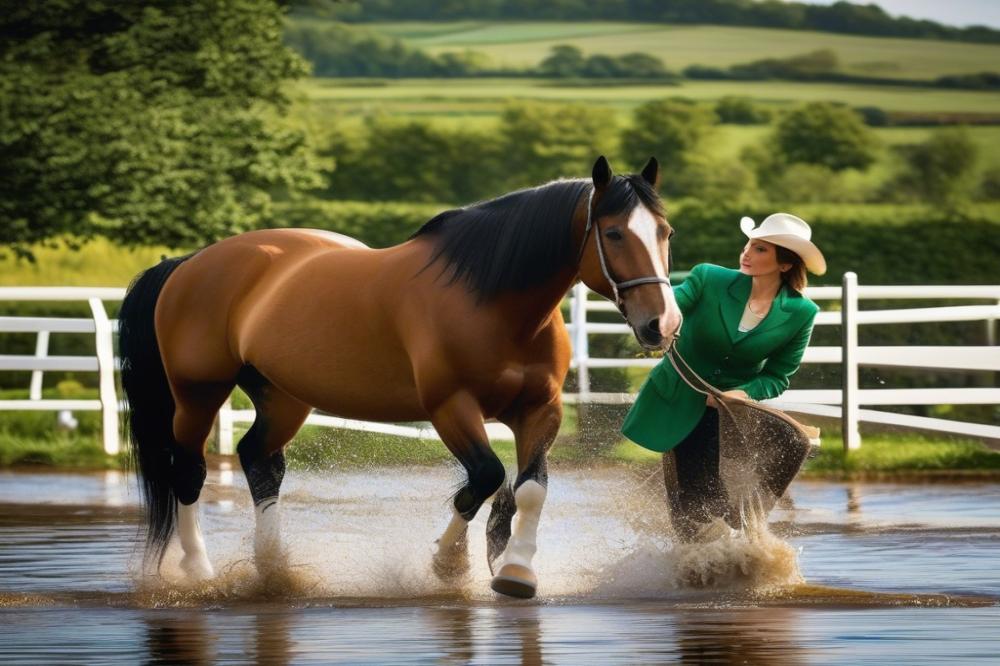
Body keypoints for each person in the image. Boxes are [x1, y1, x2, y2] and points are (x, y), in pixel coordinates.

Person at [621, 213, 826, 540]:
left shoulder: (802, 312)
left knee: (780, 452)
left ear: (784, 265)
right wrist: (658, 321)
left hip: (731, 411)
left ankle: (738, 538)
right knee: (699, 495)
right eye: (749, 244)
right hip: (679, 396)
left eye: (760, 250)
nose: (746, 253)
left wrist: (742, 393)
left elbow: (777, 376)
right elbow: (670, 305)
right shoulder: (708, 277)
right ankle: (698, 560)